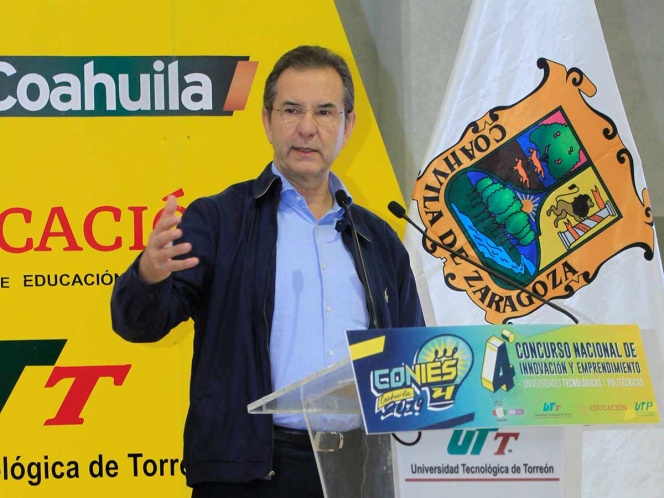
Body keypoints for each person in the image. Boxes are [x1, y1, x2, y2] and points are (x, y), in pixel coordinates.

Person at [111, 45, 424, 497]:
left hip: (360, 471)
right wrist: (148, 277)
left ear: (348, 125)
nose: (307, 128)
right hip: (251, 473)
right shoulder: (219, 221)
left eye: (325, 112)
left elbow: (413, 360)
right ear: (266, 120)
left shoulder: (377, 239)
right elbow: (139, 324)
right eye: (291, 110)